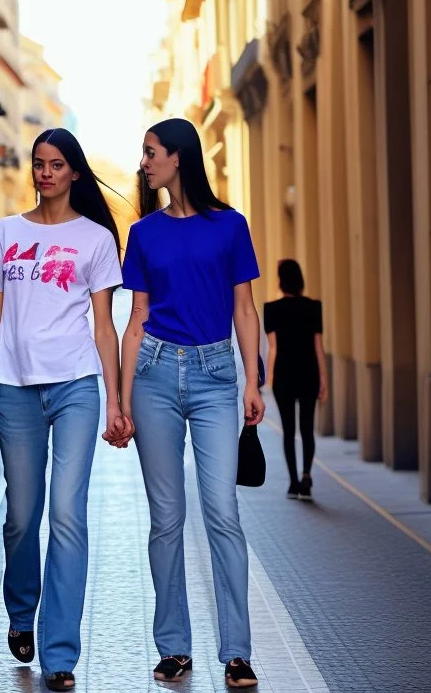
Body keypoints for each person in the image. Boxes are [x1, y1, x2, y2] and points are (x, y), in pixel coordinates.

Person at [109, 118, 265, 689]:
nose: (144, 162)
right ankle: (174, 646)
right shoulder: (144, 233)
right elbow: (136, 319)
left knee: (222, 510)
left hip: (216, 375)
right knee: (166, 519)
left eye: (151, 152)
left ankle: (238, 651)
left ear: (178, 158)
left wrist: (254, 382)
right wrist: (120, 401)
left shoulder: (230, 226)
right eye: (144, 153)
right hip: (153, 374)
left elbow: (244, 309)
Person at [0, 128, 126, 693]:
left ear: (75, 173)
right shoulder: (6, 232)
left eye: (56, 165)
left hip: (77, 386)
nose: (45, 173)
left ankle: (59, 652)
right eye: (39, 164)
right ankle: (20, 613)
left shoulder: (95, 240)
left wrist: (116, 400)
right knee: (21, 515)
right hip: (13, 388)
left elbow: (104, 326)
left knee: (67, 514)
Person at [264, 259, 328, 501]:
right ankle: (307, 476)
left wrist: (269, 378)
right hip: (309, 373)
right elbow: (318, 346)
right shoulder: (313, 307)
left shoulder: (272, 309)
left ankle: (293, 483)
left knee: (288, 431)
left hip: (284, 375)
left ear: (281, 280)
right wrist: (324, 379)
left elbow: (273, 348)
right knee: (307, 428)